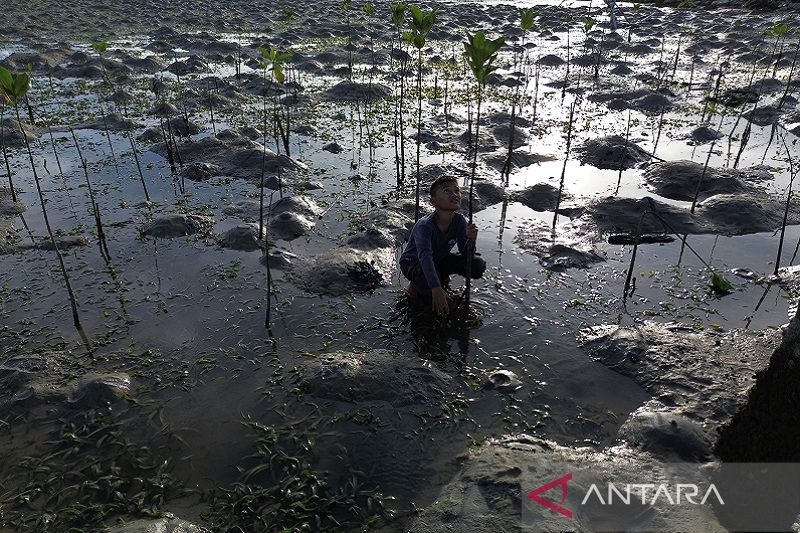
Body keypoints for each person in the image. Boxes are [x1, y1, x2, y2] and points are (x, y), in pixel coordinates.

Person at [399, 175, 487, 316]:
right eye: (447, 191)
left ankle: (440, 276)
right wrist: (436, 288)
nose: (454, 194)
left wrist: (471, 240)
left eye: (456, 191)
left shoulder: (459, 221)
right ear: (433, 201)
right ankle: (415, 286)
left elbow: (466, 255)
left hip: (439, 258)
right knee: (427, 282)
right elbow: (425, 256)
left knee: (477, 264)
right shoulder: (425, 226)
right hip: (414, 263)